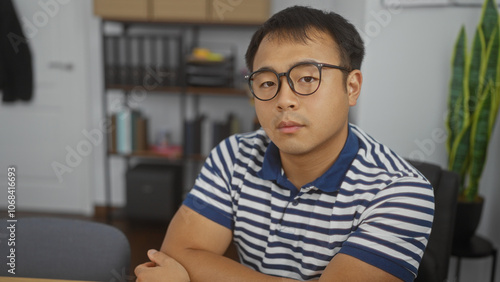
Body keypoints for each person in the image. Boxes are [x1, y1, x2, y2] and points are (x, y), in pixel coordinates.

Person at [135, 5, 434, 282]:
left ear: (351, 87)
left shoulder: (402, 192)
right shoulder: (233, 155)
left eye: (306, 78)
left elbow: (183, 270)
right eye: (266, 83)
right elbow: (177, 255)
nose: (283, 100)